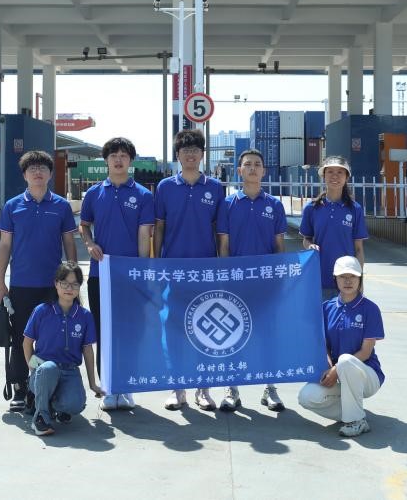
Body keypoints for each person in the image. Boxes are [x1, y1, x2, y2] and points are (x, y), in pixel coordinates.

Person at [0, 150, 78, 413]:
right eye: (32, 169)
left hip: (55, 286)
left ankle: (49, 388)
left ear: (50, 174)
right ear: (25, 175)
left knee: (53, 337)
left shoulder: (61, 206)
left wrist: (74, 280)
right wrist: (0, 282)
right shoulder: (13, 206)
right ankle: (21, 387)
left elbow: (69, 243)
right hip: (22, 285)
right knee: (22, 337)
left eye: (42, 168)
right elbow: (5, 245)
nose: (38, 172)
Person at [79, 136, 154, 411]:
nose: (118, 160)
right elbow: (84, 225)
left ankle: (127, 386)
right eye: (113, 156)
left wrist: (143, 271)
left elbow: (144, 235)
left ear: (130, 160)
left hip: (131, 277)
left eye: (123, 155)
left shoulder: (144, 195)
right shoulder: (93, 193)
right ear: (106, 161)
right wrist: (89, 243)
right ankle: (109, 387)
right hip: (101, 275)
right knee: (104, 332)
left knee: (131, 332)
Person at [154, 129, 225, 412]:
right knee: (174, 331)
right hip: (174, 273)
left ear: (202, 155)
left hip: (205, 272)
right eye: (185, 151)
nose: (191, 155)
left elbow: (220, 232)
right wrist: (157, 263)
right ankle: (177, 388)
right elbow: (159, 228)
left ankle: (203, 389)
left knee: (204, 332)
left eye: (195, 150)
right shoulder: (165, 187)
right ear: (178, 155)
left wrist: (221, 266)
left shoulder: (215, 187)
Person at [214, 147, 288, 413]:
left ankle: (270, 388)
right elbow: (224, 245)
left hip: (265, 283)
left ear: (264, 171)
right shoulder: (228, 204)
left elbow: (279, 246)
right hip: (236, 283)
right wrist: (225, 279)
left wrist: (279, 279)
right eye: (248, 164)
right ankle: (231, 389)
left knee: (268, 336)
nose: (253, 168)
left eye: (257, 164)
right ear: (239, 170)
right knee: (233, 337)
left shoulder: (274, 205)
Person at [298, 256, 384, 437]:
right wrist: (329, 366)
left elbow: (366, 351)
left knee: (345, 360)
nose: (348, 281)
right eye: (342, 276)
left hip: (367, 376)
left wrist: (336, 369)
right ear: (335, 279)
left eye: (352, 276)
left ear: (360, 279)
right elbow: (322, 346)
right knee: (307, 397)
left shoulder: (370, 309)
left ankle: (356, 421)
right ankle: (354, 412)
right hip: (338, 374)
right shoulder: (326, 308)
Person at [23, 263, 103, 436]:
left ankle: (52, 403)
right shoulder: (42, 311)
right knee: (48, 369)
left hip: (69, 370)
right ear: (56, 284)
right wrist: (34, 371)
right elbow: (27, 343)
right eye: (64, 283)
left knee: (75, 404)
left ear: (79, 286)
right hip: (44, 368)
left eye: (74, 284)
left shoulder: (85, 316)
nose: (69, 288)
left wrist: (92, 383)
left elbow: (88, 350)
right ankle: (41, 418)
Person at [300, 156, 368, 300]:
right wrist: (309, 245)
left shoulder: (355, 209)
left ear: (346, 177)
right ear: (323, 176)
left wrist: (359, 280)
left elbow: (359, 249)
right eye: (330, 171)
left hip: (346, 282)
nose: (335, 176)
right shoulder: (311, 208)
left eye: (340, 172)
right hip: (318, 279)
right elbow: (306, 239)